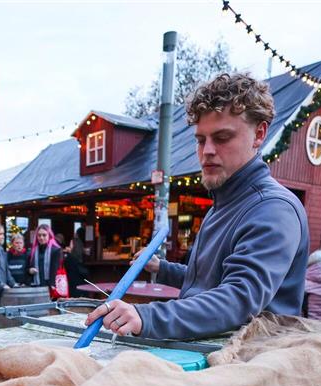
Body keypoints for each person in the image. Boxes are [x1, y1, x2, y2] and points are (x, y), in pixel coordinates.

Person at [86, 73, 309, 339]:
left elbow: (239, 299)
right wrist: (163, 268)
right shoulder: (222, 206)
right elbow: (207, 282)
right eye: (200, 140)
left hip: (248, 362)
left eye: (223, 137)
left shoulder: (273, 209)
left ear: (259, 134)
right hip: (209, 350)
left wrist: (146, 316)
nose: (207, 151)